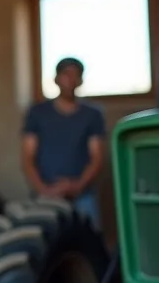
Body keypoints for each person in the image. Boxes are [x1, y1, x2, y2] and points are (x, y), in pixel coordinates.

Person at [21, 56, 106, 227]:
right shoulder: (37, 113)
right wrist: (44, 190)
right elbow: (27, 158)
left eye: (76, 75)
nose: (71, 80)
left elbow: (97, 158)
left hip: (83, 197)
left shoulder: (92, 115)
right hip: (44, 196)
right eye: (66, 74)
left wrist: (77, 186)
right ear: (56, 79)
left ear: (81, 80)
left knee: (88, 245)